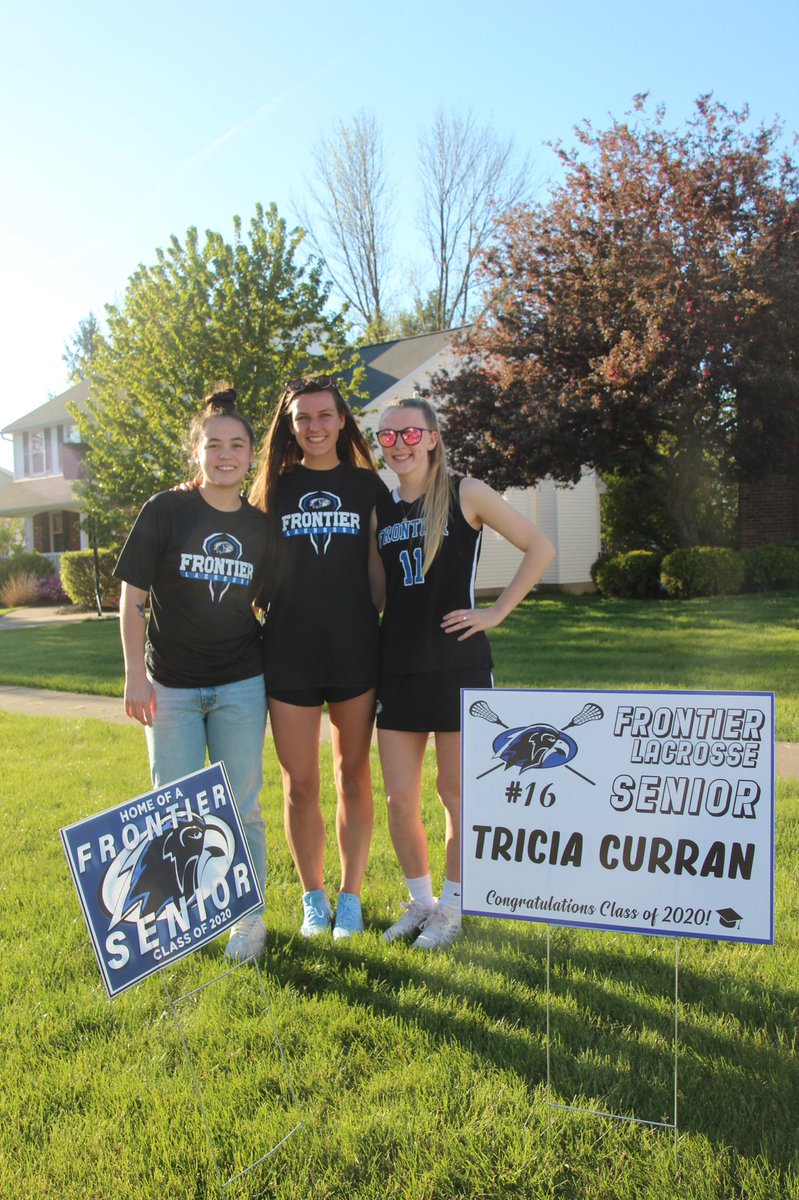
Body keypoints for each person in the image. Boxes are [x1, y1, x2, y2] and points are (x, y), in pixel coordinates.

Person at [375, 398, 556, 950]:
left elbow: (540, 546)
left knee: (457, 794)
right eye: (386, 437)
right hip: (398, 667)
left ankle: (453, 907)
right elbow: (377, 594)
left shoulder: (464, 491)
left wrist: (495, 611)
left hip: (458, 665)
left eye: (409, 432)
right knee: (400, 800)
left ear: (431, 437)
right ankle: (420, 902)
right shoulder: (380, 509)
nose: (399, 443)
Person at [114, 388, 270, 963]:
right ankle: (180, 916)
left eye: (237, 444)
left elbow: (271, 604)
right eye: (214, 444)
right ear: (196, 452)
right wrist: (135, 675)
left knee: (241, 805)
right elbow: (134, 598)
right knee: (171, 809)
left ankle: (248, 919)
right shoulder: (166, 509)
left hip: (238, 685)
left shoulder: (261, 528)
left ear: (251, 454)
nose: (225, 454)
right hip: (171, 687)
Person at [248, 376, 387, 941]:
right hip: (289, 651)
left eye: (325, 415)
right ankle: (314, 898)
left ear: (342, 420)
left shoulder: (368, 487)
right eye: (302, 418)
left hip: (355, 650)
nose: (314, 426)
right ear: (290, 426)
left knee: (352, 776)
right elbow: (232, 527)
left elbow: (381, 574)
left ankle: (350, 898)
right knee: (299, 784)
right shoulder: (272, 490)